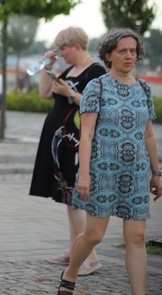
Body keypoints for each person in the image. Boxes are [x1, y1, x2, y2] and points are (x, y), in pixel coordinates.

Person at [57, 28, 162, 295]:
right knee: (94, 235)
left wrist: (156, 171)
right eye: (122, 51)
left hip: (137, 173)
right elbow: (87, 134)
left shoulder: (143, 89)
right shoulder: (98, 86)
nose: (129, 56)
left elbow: (148, 134)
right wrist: (84, 174)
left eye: (133, 51)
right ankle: (70, 273)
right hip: (102, 171)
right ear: (108, 55)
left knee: (136, 238)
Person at [29, 26, 106, 276]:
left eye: (63, 48)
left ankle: (90, 257)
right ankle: (75, 250)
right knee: (68, 198)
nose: (61, 53)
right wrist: (47, 67)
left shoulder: (95, 71)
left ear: (77, 46)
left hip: (77, 141)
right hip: (60, 141)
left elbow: (98, 105)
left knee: (77, 197)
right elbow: (43, 93)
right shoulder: (70, 69)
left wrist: (70, 93)